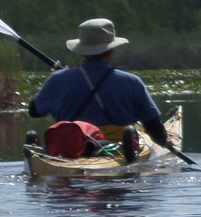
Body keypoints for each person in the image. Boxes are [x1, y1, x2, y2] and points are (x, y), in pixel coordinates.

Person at [28, 17, 176, 154]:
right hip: (118, 150)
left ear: (82, 49)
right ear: (111, 49)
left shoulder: (58, 79)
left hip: (71, 148)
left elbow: (34, 111)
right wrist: (164, 141)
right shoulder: (132, 82)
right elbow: (153, 126)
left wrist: (58, 79)